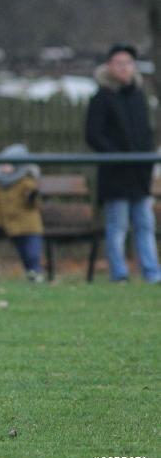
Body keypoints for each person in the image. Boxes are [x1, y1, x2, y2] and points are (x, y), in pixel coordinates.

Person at [85, 44, 161, 284]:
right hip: (116, 174)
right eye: (119, 63)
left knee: (145, 224)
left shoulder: (138, 96)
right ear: (109, 66)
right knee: (117, 226)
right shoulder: (101, 98)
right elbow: (94, 135)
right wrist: (117, 156)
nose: (124, 68)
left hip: (139, 174)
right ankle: (119, 274)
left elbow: (145, 133)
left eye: (128, 63)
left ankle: (151, 272)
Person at [0, 144, 45, 283]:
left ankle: (36, 274)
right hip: (11, 227)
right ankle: (31, 274)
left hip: (30, 227)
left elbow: (34, 204)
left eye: (9, 163)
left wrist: (31, 196)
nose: (5, 166)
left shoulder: (26, 181)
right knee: (24, 254)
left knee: (32, 254)